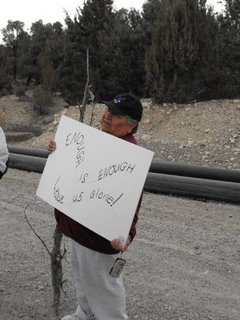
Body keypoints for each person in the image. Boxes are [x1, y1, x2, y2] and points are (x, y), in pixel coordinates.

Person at [48, 93, 143, 320]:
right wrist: (57, 150)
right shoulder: (96, 141)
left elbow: (131, 200)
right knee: (82, 276)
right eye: (107, 110)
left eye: (116, 114)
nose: (107, 116)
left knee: (104, 287)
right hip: (80, 230)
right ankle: (85, 313)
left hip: (99, 236)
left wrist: (127, 233)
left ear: (132, 125)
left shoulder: (130, 157)